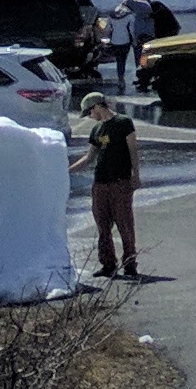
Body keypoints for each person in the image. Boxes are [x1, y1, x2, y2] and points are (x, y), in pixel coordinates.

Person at [74, 91, 144, 280]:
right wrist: (67, 170)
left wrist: (135, 175)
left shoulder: (123, 123)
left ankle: (130, 264)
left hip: (120, 182)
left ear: (97, 107)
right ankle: (108, 263)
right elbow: (89, 158)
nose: (90, 117)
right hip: (100, 183)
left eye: (89, 113)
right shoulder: (97, 130)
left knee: (125, 224)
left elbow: (133, 150)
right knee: (102, 226)